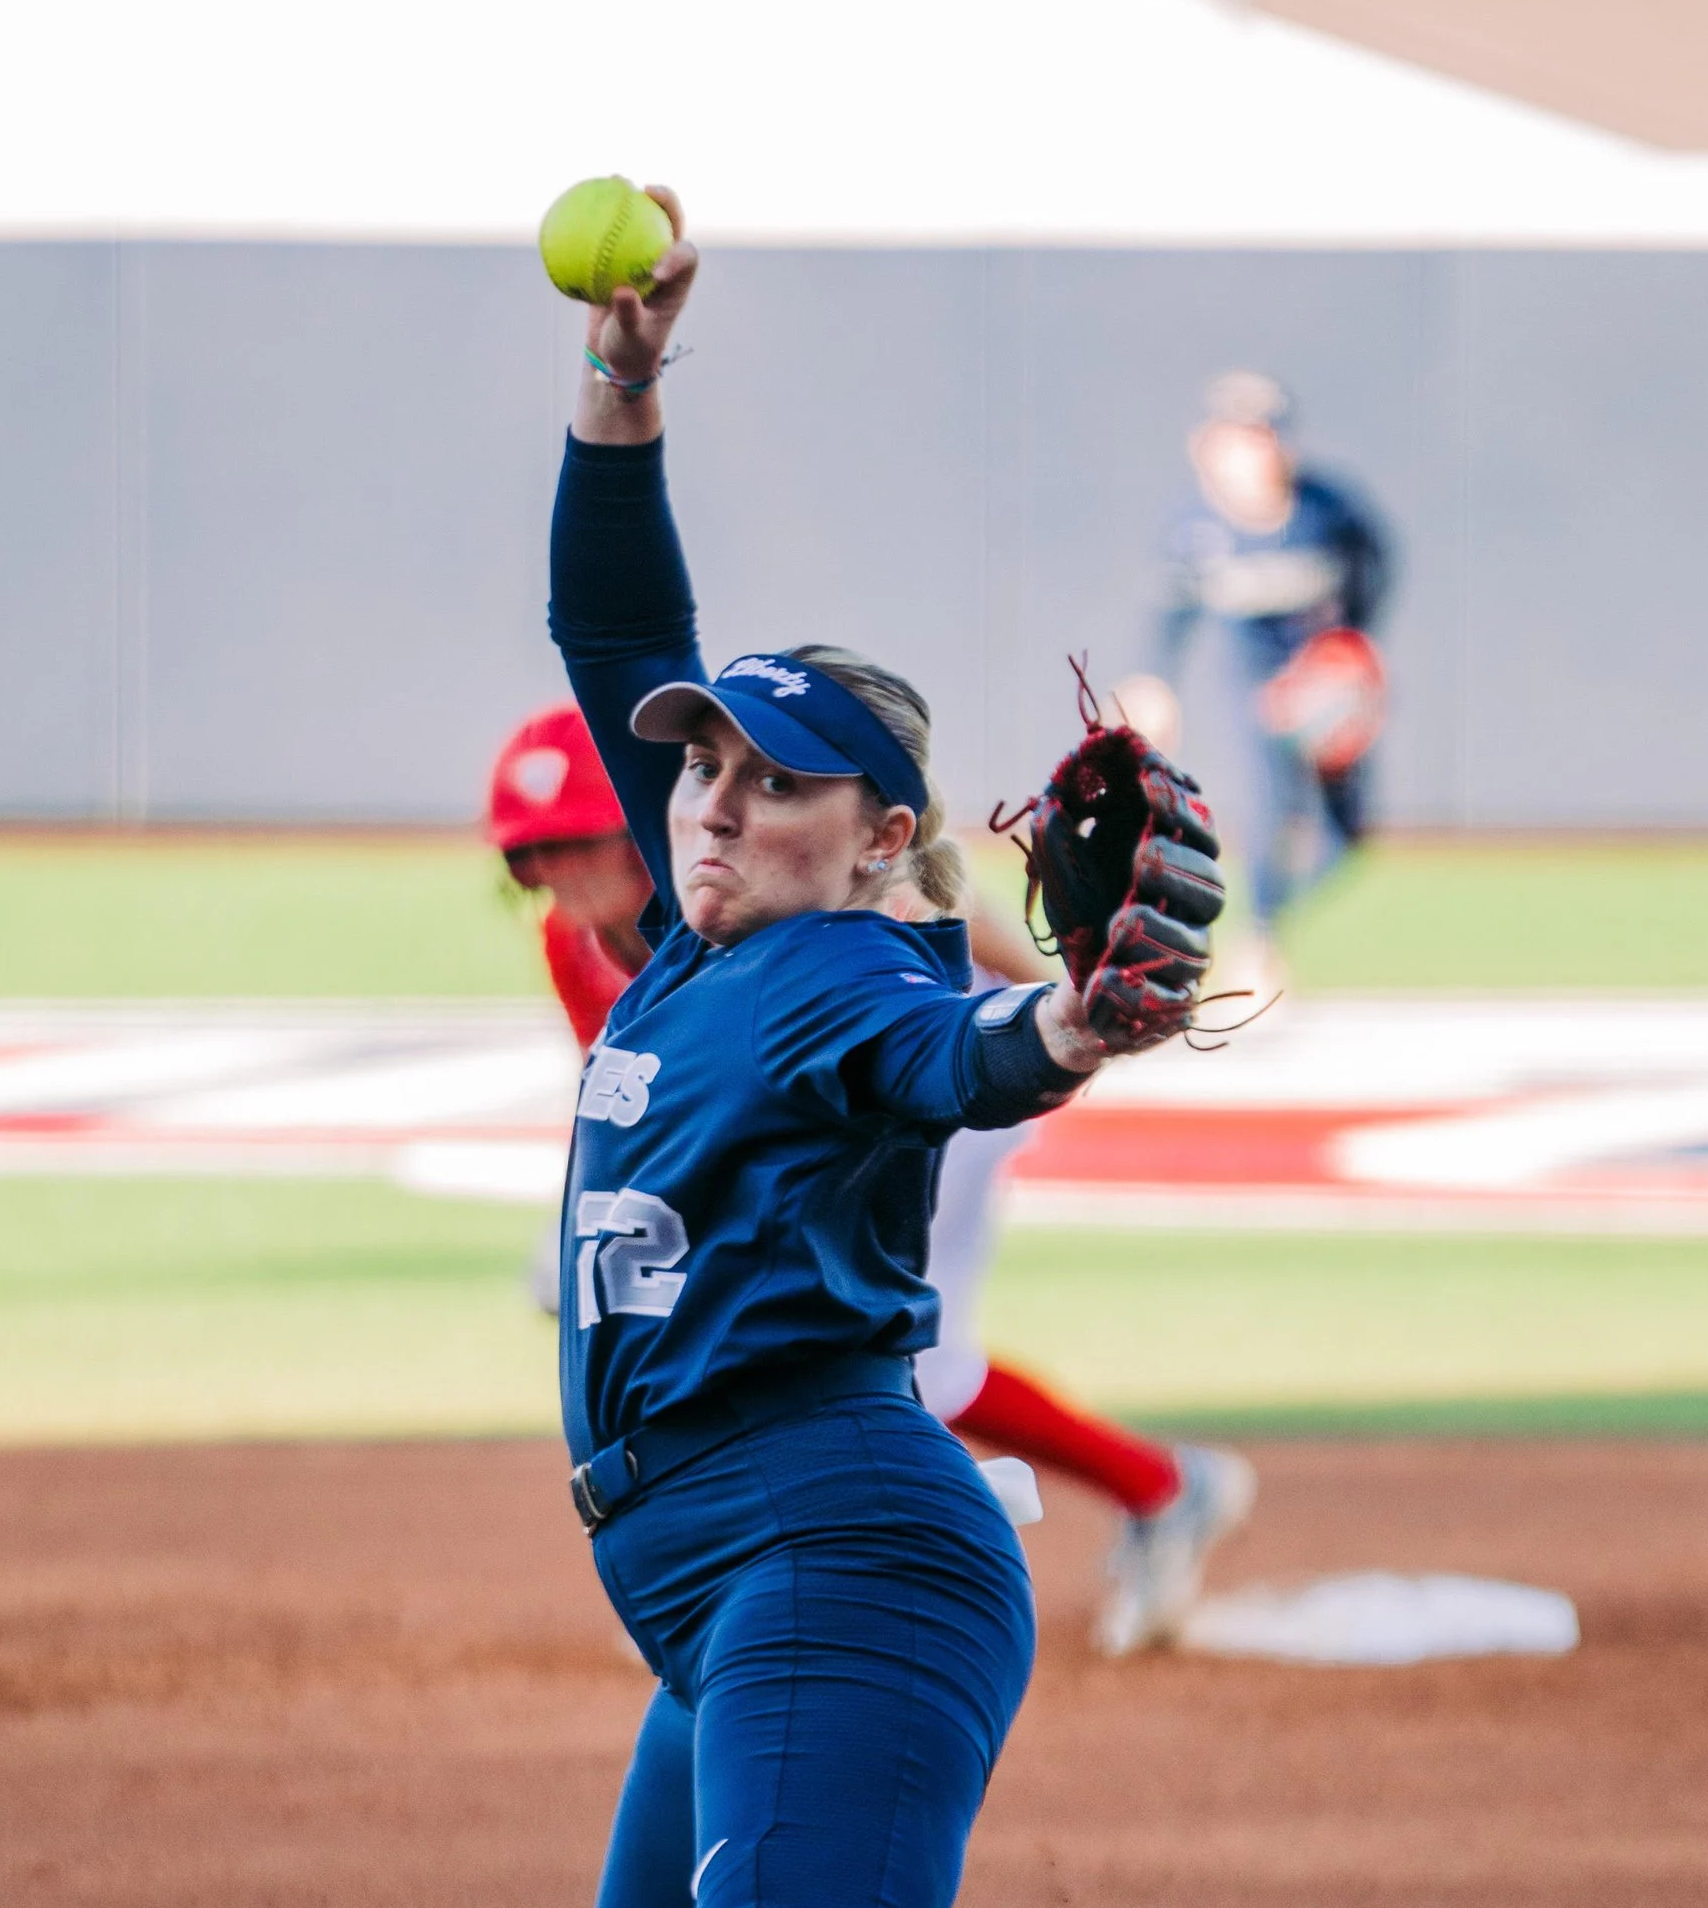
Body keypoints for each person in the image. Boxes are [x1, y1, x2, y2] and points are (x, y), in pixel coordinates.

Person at [538, 189, 1219, 1908]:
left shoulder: (848, 973)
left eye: (770, 781)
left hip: (838, 1540)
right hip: (724, 1586)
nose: (714, 802)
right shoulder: (697, 929)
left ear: (883, 838)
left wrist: (1083, 1023)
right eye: (701, 772)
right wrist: (622, 388)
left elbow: (970, 1057)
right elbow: (614, 631)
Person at [486, 706, 1255, 1655]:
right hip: (797, 1111)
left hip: (931, 1076)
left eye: (571, 842)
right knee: (615, 1282)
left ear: (631, 825)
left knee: (912, 1359)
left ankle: (1159, 1489)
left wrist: (1076, 1015)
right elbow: (630, 1102)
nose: (552, 874)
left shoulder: (757, 882)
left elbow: (938, 912)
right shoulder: (579, 944)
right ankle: (730, 1550)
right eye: (527, 859)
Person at [1146, 370, 1392, 984]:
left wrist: (1350, 651)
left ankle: (1265, 916)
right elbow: (1170, 613)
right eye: (1240, 437)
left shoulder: (1327, 512)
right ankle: (1257, 937)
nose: (1255, 452)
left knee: (1347, 836)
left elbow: (1376, 566)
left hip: (1326, 685)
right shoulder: (1198, 530)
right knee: (1271, 806)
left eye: (1264, 435)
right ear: (1209, 446)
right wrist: (1154, 680)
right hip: (1255, 682)